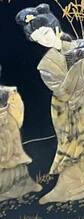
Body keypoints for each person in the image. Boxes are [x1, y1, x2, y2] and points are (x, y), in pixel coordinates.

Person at [16, 5, 84, 204]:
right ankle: (67, 188)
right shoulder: (45, 65)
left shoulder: (80, 46)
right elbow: (61, 91)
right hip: (63, 108)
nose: (44, 40)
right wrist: (79, 67)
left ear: (55, 28)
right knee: (72, 144)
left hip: (83, 101)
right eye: (38, 39)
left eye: (45, 33)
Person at [0, 68, 40, 202]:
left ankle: (21, 184)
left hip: (8, 126)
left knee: (13, 157)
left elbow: (15, 103)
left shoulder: (5, 90)